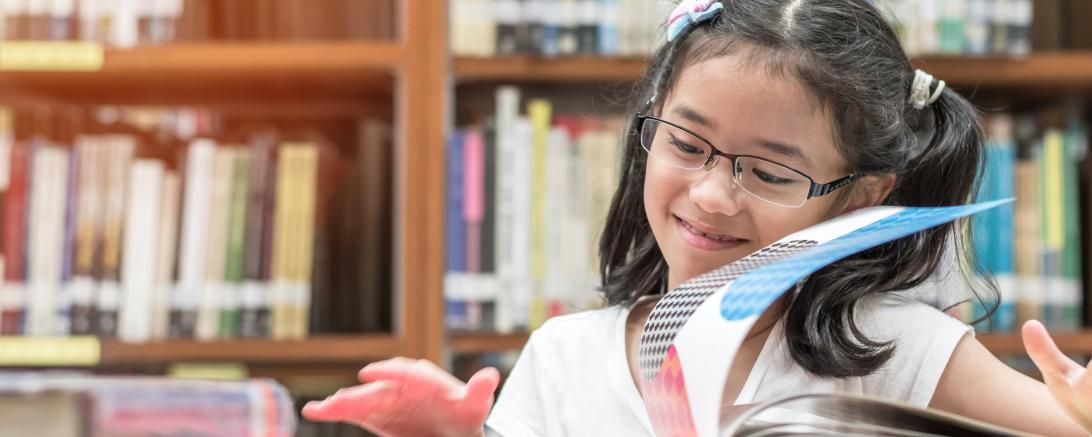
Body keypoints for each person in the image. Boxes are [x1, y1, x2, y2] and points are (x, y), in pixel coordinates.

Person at [302, 0, 1092, 435]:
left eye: (771, 171)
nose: (713, 195)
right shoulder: (564, 355)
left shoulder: (905, 350)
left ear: (859, 197)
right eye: (687, 143)